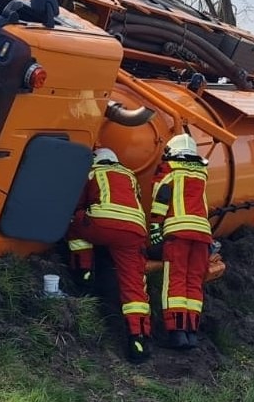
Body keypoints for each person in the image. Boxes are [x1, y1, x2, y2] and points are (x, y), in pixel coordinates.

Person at [67, 147, 152, 364]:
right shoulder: (130, 175)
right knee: (134, 283)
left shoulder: (91, 172)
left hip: (101, 223)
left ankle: (83, 272)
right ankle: (138, 338)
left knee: (73, 221)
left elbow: (76, 202)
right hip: (134, 232)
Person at [150, 133, 213, 351]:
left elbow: (161, 200)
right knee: (194, 281)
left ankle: (176, 333)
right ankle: (191, 332)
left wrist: (155, 229)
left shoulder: (169, 171)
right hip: (203, 234)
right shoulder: (202, 174)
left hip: (178, 232)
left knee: (175, 279)